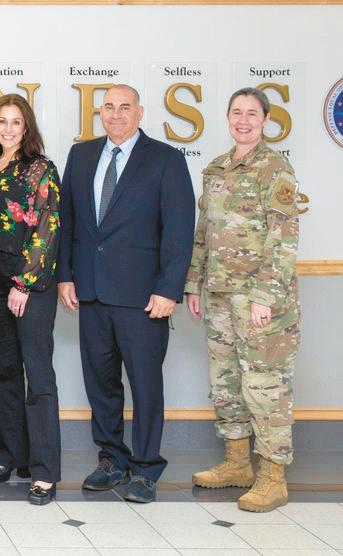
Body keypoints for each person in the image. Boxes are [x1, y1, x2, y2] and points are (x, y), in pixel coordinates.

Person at [56, 84, 195, 503]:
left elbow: (178, 230)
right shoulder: (81, 155)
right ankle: (111, 460)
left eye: (124, 107)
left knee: (146, 386)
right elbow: (67, 219)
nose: (116, 114)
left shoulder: (166, 159)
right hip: (92, 293)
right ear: (100, 112)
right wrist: (65, 276)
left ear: (140, 112)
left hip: (144, 298)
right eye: (109, 107)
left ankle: (146, 468)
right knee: (101, 384)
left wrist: (168, 289)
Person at [185, 88, 301, 513]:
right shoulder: (216, 168)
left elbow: (283, 237)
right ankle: (237, 463)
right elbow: (204, 230)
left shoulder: (275, 168)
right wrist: (193, 282)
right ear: (228, 117)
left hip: (259, 300)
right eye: (237, 112)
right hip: (219, 295)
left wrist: (265, 296)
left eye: (253, 114)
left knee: (264, 386)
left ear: (266, 120)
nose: (244, 121)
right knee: (227, 383)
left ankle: (273, 478)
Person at [0, 94, 62, 505]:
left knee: (38, 377)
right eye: (2, 121)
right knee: (5, 373)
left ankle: (44, 472)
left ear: (26, 127)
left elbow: (47, 228)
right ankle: (11, 457)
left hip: (30, 285)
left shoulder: (40, 169)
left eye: (15, 122)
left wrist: (23, 284)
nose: (8, 129)